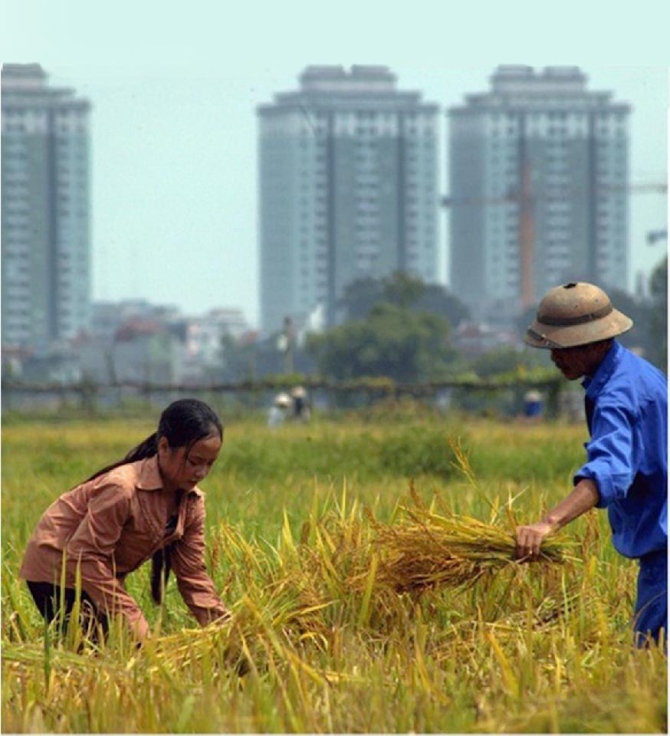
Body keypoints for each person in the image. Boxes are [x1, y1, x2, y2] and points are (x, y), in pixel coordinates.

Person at [515, 282, 667, 647]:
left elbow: (610, 470)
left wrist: (547, 523)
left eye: (563, 348)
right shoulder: (637, 372)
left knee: (652, 666)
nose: (555, 357)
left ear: (596, 341)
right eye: (551, 347)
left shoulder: (618, 395)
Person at [19, 398, 231, 644]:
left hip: (93, 570)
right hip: (57, 568)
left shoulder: (192, 503)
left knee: (124, 645)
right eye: (194, 462)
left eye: (209, 464)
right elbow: (84, 555)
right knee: (100, 650)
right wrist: (132, 617)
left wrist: (228, 631)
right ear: (164, 447)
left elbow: (192, 574)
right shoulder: (122, 488)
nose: (201, 473)